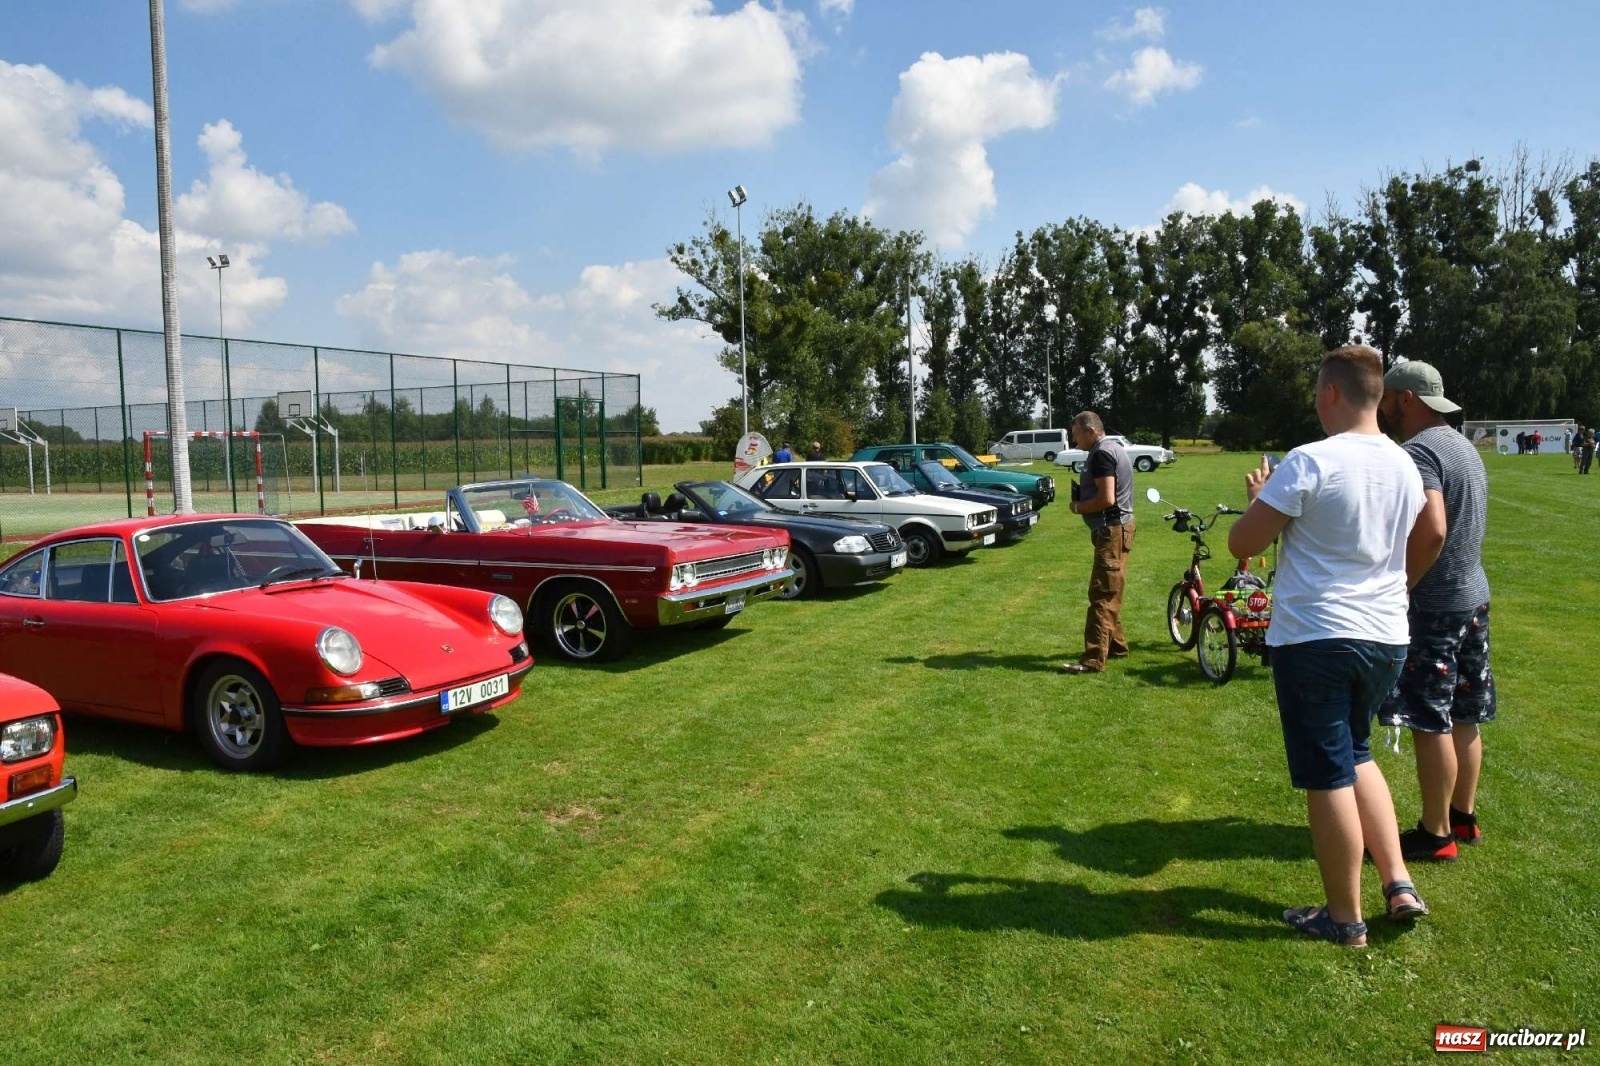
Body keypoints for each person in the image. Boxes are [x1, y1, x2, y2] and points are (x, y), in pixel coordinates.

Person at [1228, 345, 1427, 946]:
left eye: (1318, 391)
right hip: (1386, 636)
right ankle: (1398, 883)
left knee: (1328, 774)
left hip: (1318, 636)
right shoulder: (1405, 465)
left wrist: (1260, 497)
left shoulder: (1310, 460)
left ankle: (1344, 918)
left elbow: (1243, 543)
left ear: (1332, 393)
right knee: (1357, 751)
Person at [1376, 361, 1494, 863]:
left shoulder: (1419, 451)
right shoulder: (1462, 446)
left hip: (1435, 605)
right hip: (1473, 597)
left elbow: (1434, 529)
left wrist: (1402, 585)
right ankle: (1463, 816)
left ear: (1406, 398)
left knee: (1430, 718)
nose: (1380, 408)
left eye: (1385, 398)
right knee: (1466, 713)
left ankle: (1436, 833)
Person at [1058, 411, 1133, 676]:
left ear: (1091, 431)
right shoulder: (1114, 448)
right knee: (1110, 590)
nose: (1074, 440)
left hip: (1110, 531)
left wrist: (1078, 506)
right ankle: (1117, 648)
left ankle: (1092, 660)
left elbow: (1107, 499)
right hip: (1118, 529)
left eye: (1077, 434)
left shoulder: (1101, 454)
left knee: (1101, 594)